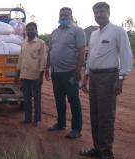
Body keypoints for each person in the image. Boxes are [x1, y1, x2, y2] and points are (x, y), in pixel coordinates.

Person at [80, 2, 133, 159]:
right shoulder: (94, 34)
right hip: (94, 77)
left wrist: (121, 78)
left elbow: (126, 55)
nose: (98, 15)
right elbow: (91, 57)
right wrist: (86, 77)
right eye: (96, 12)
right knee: (95, 114)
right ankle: (97, 148)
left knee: (106, 116)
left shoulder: (118, 31)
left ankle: (106, 153)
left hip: (109, 77)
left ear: (108, 13)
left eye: (101, 12)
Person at [45, 7, 86, 139]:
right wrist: (47, 67)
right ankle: (61, 123)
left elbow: (81, 52)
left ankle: (76, 129)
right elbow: (50, 51)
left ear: (71, 16)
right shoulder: (54, 32)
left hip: (70, 72)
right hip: (56, 72)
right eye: (61, 14)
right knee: (59, 99)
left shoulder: (78, 31)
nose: (63, 16)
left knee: (73, 100)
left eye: (66, 14)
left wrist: (78, 70)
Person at [17, 22, 47, 127]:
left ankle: (36, 120)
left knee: (37, 98)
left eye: (32, 29)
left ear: (36, 30)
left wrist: (41, 76)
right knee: (27, 98)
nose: (30, 31)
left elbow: (43, 60)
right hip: (24, 75)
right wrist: (18, 73)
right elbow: (20, 59)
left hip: (35, 75)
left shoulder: (41, 43)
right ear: (26, 31)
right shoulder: (23, 43)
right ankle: (27, 118)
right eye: (28, 29)